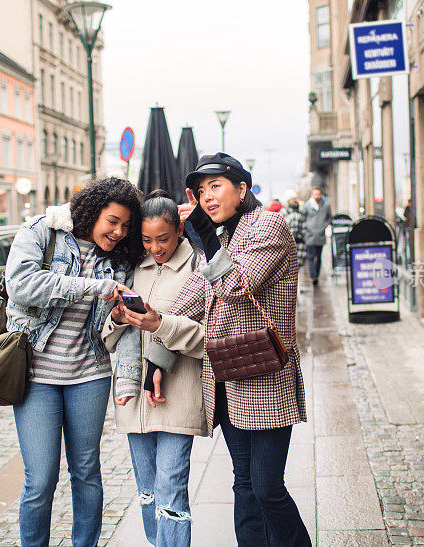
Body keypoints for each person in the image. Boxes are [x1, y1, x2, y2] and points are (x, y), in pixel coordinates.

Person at [142, 153, 311, 546]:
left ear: (242, 188)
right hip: (228, 380)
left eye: (215, 187)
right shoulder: (220, 238)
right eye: (201, 191)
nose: (207, 197)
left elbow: (239, 286)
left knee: (268, 488)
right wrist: (156, 343)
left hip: (266, 380)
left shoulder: (267, 226)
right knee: (244, 484)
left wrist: (200, 230)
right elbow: (197, 296)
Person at [4, 177, 144, 547]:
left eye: (126, 226)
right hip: (36, 376)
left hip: (90, 375)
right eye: (113, 221)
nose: (118, 232)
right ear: (92, 211)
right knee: (40, 479)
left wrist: (128, 377)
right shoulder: (41, 231)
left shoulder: (118, 258)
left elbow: (124, 324)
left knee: (86, 472)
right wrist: (92, 287)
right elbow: (21, 285)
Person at [102, 189, 206, 546]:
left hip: (179, 396)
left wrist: (161, 325)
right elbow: (108, 338)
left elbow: (207, 338)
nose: (155, 248)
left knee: (171, 490)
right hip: (136, 403)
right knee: (147, 491)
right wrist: (117, 319)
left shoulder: (198, 267)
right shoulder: (134, 270)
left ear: (179, 231)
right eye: (147, 240)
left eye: (162, 238)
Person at [302, 186, 332, 286]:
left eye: (318, 194)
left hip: (320, 235)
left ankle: (316, 275)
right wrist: (306, 229)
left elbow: (329, 218)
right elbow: (303, 218)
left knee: (318, 257)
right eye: (315, 194)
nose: (317, 196)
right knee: (311, 256)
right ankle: (313, 276)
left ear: (321, 195)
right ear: (312, 195)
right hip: (310, 235)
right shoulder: (307, 205)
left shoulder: (326, 206)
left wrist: (324, 225)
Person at [282, 190, 306, 270]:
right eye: (293, 199)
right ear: (288, 201)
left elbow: (304, 228)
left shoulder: (301, 212)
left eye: (295, 199)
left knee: (297, 268)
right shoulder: (284, 213)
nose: (295, 200)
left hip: (299, 245)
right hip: (287, 245)